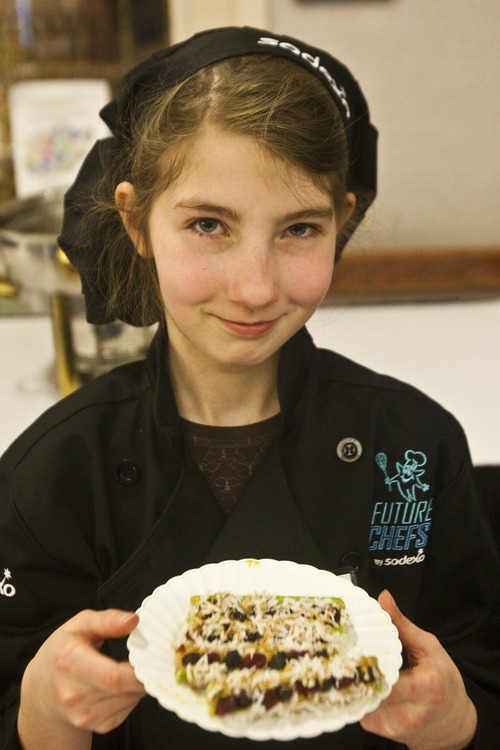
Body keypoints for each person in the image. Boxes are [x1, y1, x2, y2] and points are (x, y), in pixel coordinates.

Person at [0, 25, 498, 750]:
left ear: (343, 222)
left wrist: (457, 722)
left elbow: (482, 659)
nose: (256, 286)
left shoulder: (416, 448)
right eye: (209, 224)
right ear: (137, 221)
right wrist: (42, 715)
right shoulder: (52, 474)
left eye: (299, 228)